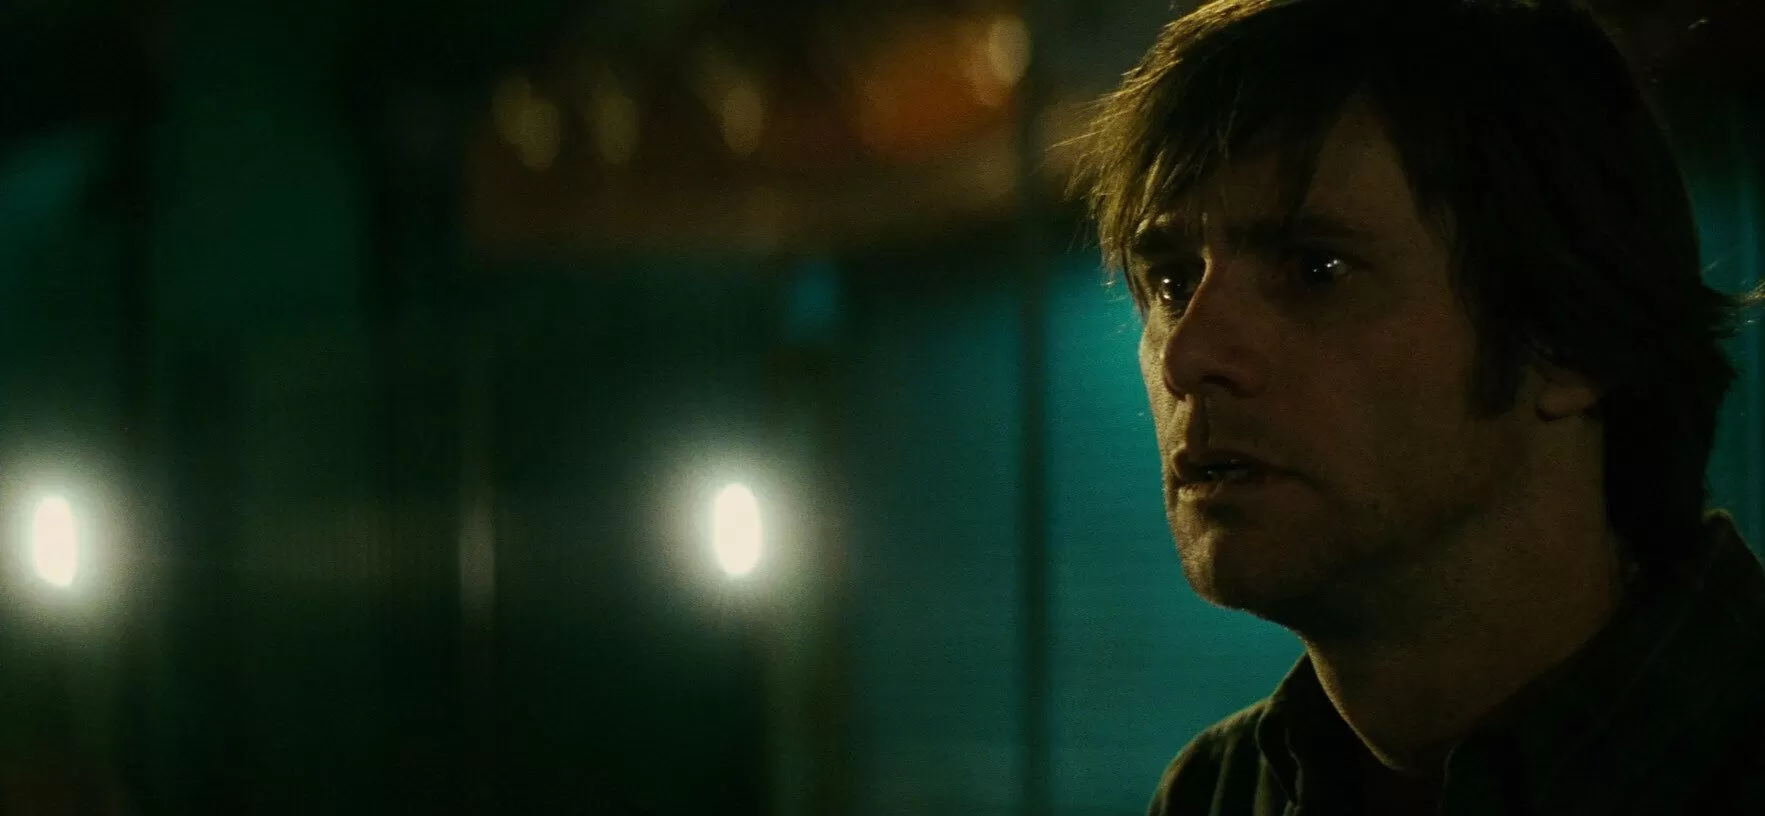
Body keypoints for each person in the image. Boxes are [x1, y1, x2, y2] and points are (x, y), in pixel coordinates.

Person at [1069, 0, 1765, 813]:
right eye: (1170, 282)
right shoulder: (1220, 793)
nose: (1188, 356)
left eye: (1316, 270)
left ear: (1568, 338)